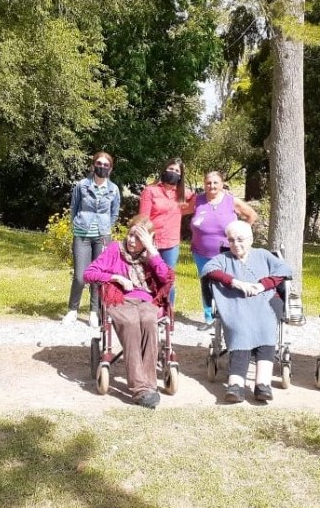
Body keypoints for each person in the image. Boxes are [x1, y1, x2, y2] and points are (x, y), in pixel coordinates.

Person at [83, 215, 173, 408]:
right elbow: (88, 273)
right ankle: (139, 389)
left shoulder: (150, 256)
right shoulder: (116, 249)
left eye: (139, 238)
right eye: (131, 235)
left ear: (148, 240)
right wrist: (115, 277)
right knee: (131, 323)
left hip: (145, 299)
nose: (132, 240)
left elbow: (166, 278)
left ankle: (150, 384)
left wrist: (151, 250)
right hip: (119, 298)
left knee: (149, 320)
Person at [202, 220, 292, 404]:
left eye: (240, 239)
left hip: (266, 299)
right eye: (231, 240)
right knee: (239, 327)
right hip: (236, 302)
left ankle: (262, 384)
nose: (236, 244)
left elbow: (284, 269)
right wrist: (235, 282)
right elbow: (208, 269)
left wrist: (261, 285)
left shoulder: (263, 255)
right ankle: (235, 384)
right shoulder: (224, 258)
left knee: (266, 324)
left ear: (251, 239)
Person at [189, 171, 258, 329]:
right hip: (201, 251)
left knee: (229, 283)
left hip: (227, 251)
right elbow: (178, 210)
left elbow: (251, 215)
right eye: (208, 183)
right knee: (206, 284)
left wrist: (242, 233)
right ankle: (210, 318)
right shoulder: (198, 200)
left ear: (221, 184)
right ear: (204, 184)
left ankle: (231, 317)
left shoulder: (231, 201)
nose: (211, 186)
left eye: (215, 183)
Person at [63, 151, 121, 328]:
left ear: (110, 169)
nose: (102, 167)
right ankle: (72, 310)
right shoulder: (81, 186)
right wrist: (77, 224)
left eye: (106, 165)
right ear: (93, 165)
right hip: (82, 235)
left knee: (98, 276)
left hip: (102, 237)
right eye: (99, 164)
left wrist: (106, 228)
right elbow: (74, 207)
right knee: (80, 276)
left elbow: (114, 213)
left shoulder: (113, 189)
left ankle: (94, 312)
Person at [138, 157, 193, 304]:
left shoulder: (182, 193)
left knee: (168, 279)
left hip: (171, 243)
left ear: (180, 175)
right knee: (150, 277)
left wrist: (183, 211)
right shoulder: (150, 191)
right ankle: (149, 309)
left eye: (177, 171)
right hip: (152, 241)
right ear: (164, 170)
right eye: (170, 169)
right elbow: (143, 218)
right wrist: (146, 240)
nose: (173, 172)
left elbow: (197, 201)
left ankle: (168, 312)